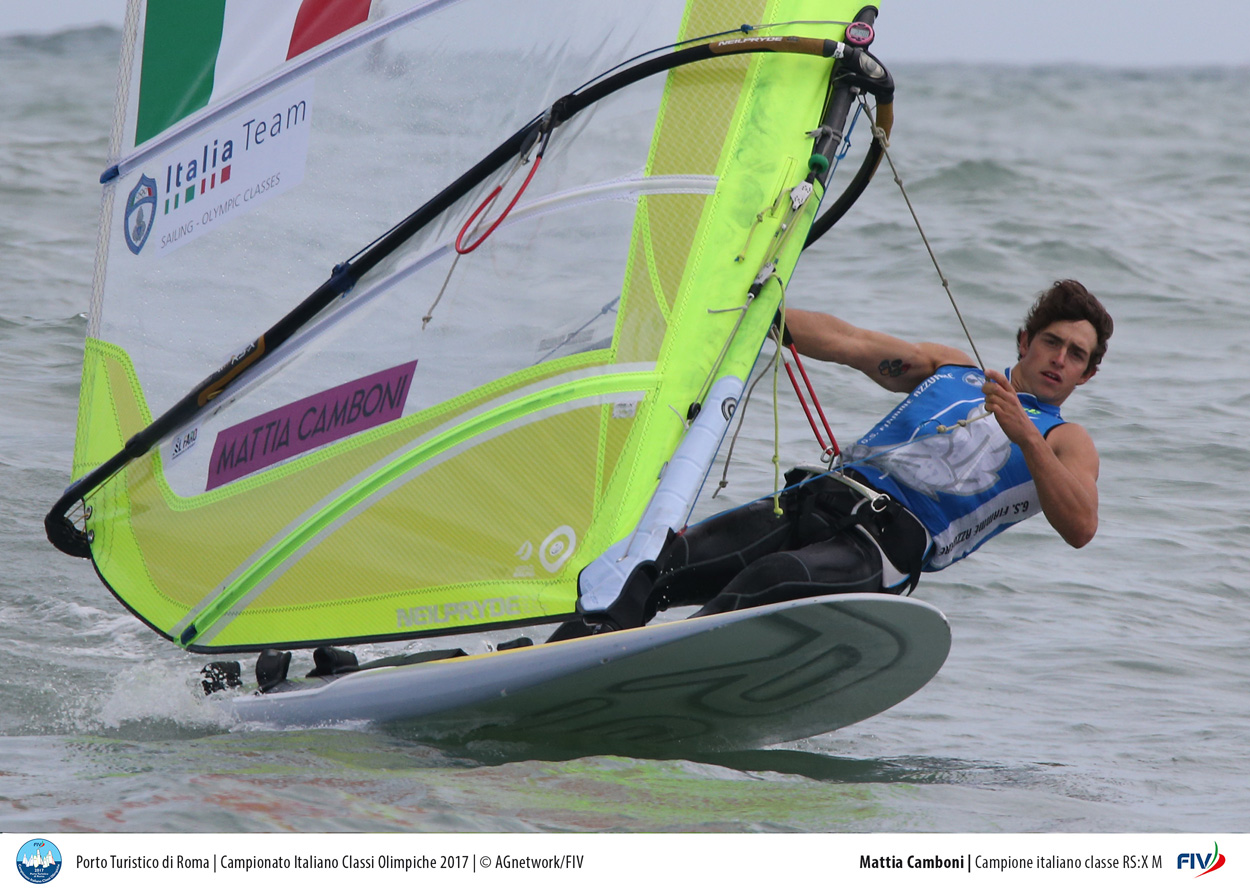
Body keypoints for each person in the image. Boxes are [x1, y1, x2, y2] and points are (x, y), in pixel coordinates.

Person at [567, 279, 1113, 634]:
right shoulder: (953, 370)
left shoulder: (1066, 439)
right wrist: (757, 312)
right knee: (663, 561)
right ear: (1025, 340)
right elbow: (851, 342)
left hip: (883, 548)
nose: (1059, 360)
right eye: (1051, 343)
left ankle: (645, 673)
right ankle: (560, 652)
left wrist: (1024, 434)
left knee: (768, 579)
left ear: (1087, 373)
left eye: (1076, 356)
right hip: (822, 497)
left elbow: (1081, 524)